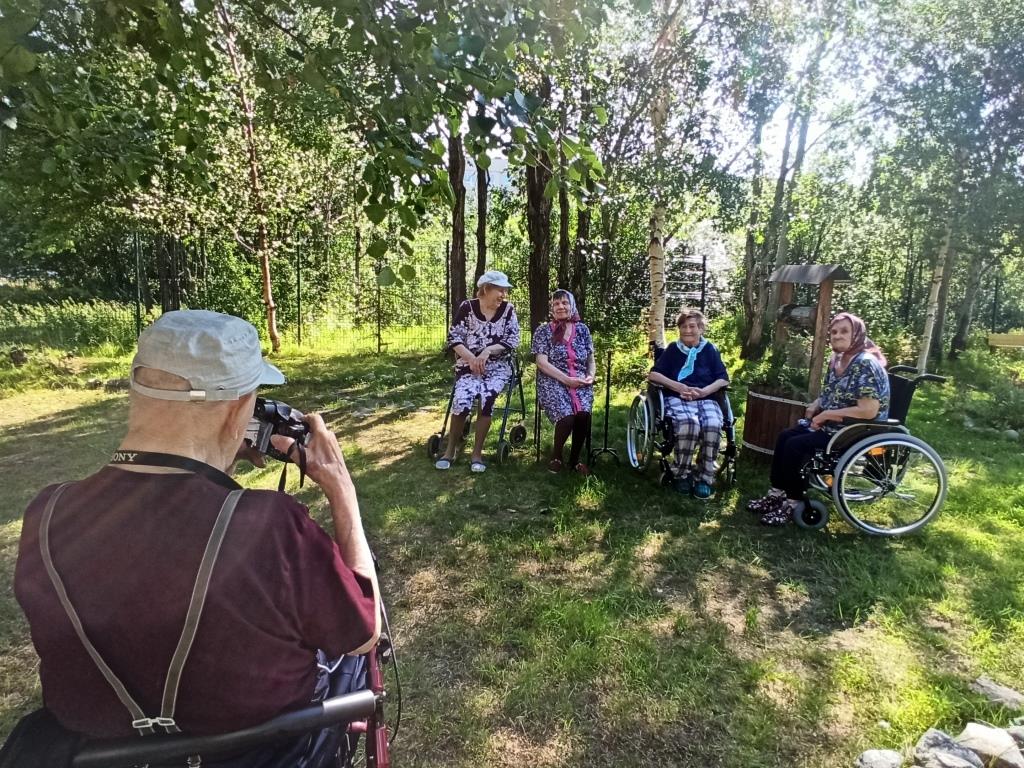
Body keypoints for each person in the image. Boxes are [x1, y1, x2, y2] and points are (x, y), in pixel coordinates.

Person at [12, 310, 380, 765]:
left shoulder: (46, 514)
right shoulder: (269, 525)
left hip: (103, 753)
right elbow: (363, 633)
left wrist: (216, 460)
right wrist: (343, 492)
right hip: (267, 751)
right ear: (239, 406)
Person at [748, 311, 890, 526]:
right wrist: (817, 404)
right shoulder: (837, 359)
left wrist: (827, 415)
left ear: (857, 335)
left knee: (796, 446)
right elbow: (831, 393)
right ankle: (776, 493)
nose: (837, 336)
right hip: (832, 425)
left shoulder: (865, 364)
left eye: (844, 331)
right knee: (785, 437)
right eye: (833, 332)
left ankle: (793, 502)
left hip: (854, 430)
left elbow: (868, 410)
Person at [435, 270, 521, 473]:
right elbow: (454, 337)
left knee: (487, 397)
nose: (504, 295)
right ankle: (450, 450)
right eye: (500, 290)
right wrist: (471, 358)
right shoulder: (467, 307)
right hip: (468, 364)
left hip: (497, 366)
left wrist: (487, 351)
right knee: (462, 399)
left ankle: (477, 454)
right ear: (486, 289)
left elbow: (512, 340)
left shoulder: (508, 310)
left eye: (505, 290)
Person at [648, 309, 729, 499]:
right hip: (678, 397)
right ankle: (681, 474)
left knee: (712, 425)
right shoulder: (673, 350)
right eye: (683, 326)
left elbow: (723, 379)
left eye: (692, 326)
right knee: (689, 424)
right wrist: (677, 386)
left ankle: (704, 477)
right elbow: (654, 374)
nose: (687, 330)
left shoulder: (710, 349)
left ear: (701, 328)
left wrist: (705, 391)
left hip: (706, 396)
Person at [531, 289, 596, 475]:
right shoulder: (543, 331)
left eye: (565, 303)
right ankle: (556, 456)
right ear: (551, 307)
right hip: (553, 380)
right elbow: (541, 362)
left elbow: (591, 360)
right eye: (556, 303)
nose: (561, 306)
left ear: (572, 306)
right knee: (567, 417)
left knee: (583, 414)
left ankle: (574, 460)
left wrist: (590, 375)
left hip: (580, 379)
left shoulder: (582, 329)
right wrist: (567, 380)